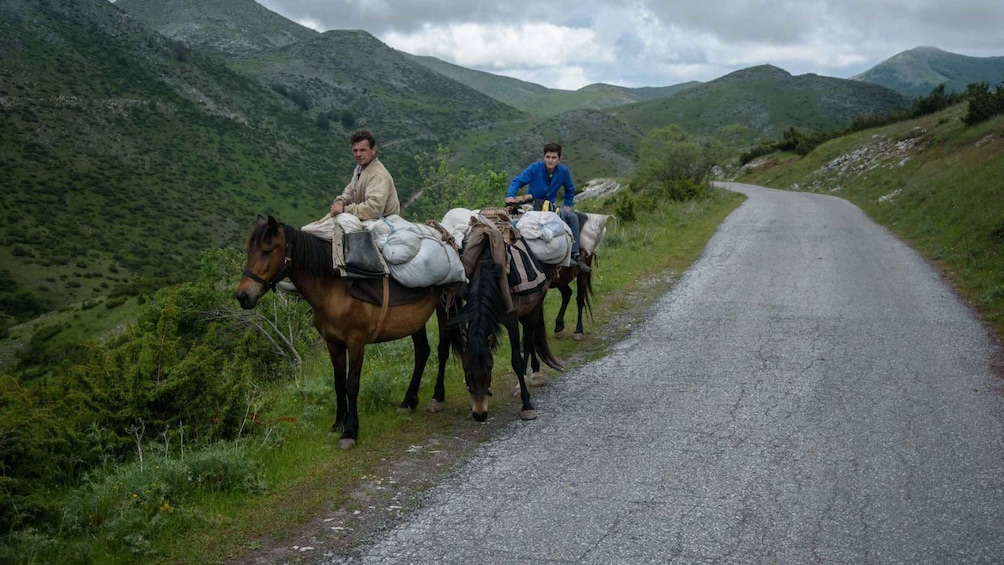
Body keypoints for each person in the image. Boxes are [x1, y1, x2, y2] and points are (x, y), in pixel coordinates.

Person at [505, 142, 590, 272]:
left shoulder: (563, 171)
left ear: (559, 159)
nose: (550, 160)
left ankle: (575, 255)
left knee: (572, 218)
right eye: (548, 157)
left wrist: (567, 205)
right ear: (544, 157)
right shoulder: (534, 168)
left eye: (554, 157)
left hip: (550, 206)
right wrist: (511, 195)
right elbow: (518, 181)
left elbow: (570, 189)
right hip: (533, 205)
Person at [330, 129, 400, 220]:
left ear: (373, 150)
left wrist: (345, 209)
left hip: (383, 223)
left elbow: (374, 209)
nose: (358, 154)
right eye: (355, 151)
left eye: (362, 150)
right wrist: (341, 201)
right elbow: (351, 189)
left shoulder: (379, 175)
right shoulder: (360, 168)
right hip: (366, 219)